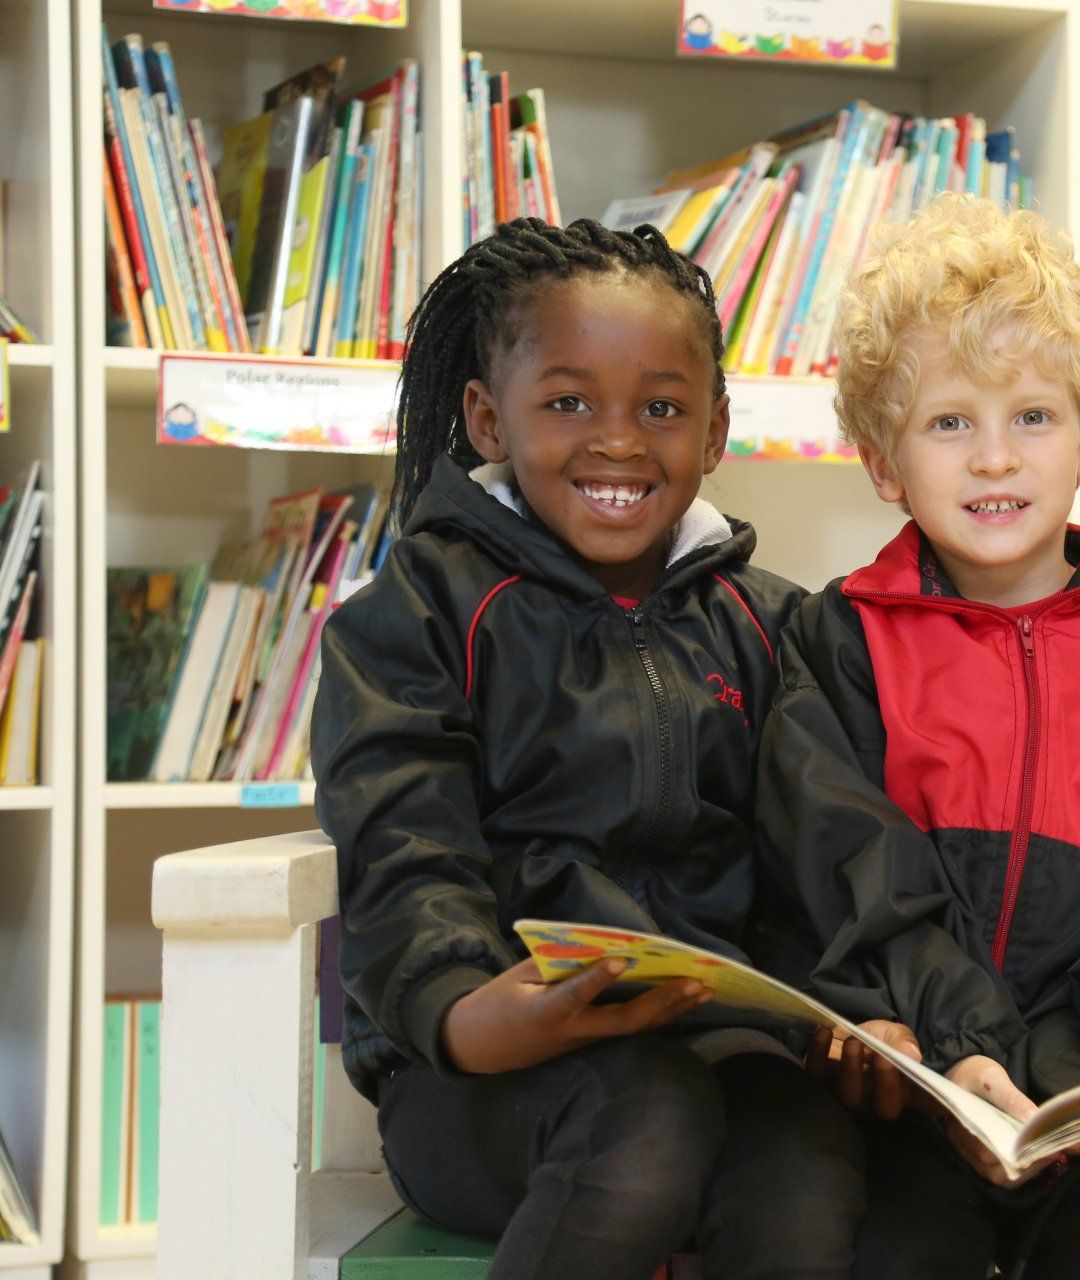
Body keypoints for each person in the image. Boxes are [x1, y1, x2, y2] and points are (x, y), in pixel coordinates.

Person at [311, 217, 862, 1279]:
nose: (617, 440)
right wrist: (465, 1009)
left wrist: (844, 1011)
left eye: (662, 407)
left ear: (714, 431)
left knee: (808, 1159)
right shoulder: (419, 611)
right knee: (647, 1120)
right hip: (482, 1067)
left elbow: (819, 850)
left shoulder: (772, 624)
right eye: (568, 402)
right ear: (486, 417)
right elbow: (402, 844)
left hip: (715, 1042)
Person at [751, 194, 1080, 1280]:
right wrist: (964, 1056)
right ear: (885, 463)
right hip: (919, 1101)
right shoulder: (835, 641)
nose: (996, 459)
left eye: (1034, 417)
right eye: (949, 422)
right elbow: (856, 881)